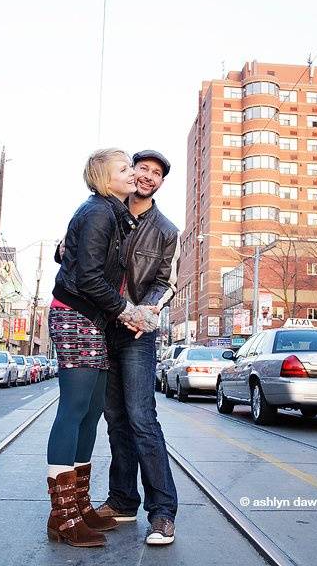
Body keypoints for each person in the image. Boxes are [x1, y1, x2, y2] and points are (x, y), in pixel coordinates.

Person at [45, 148, 158, 548]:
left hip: (94, 320)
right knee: (73, 411)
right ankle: (63, 516)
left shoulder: (113, 214)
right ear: (103, 178)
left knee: (91, 413)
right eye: (125, 169)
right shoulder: (97, 212)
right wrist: (126, 311)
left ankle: (79, 505)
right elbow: (90, 277)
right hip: (76, 315)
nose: (133, 174)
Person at [95, 149, 181, 546]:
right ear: (131, 173)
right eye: (141, 169)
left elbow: (166, 282)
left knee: (142, 419)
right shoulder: (106, 211)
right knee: (115, 420)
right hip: (101, 326)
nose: (147, 176)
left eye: (155, 173)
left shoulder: (166, 230)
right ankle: (123, 500)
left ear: (161, 182)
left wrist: (144, 314)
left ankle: (162, 512)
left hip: (137, 334)